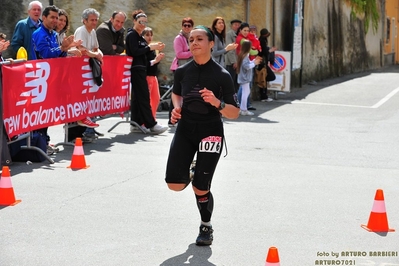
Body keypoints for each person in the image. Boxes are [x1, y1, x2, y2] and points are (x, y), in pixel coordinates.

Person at [165, 25, 240, 246]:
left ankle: (205, 226)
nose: (194, 42)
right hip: (186, 129)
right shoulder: (182, 71)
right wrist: (176, 108)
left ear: (210, 44)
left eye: (199, 39)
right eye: (191, 40)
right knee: (174, 185)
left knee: (200, 185)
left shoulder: (222, 75)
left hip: (210, 132)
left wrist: (217, 103)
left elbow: (234, 113)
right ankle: (193, 168)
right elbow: (177, 93)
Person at [31, 5, 82, 154]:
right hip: (40, 80)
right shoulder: (39, 33)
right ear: (44, 18)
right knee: (40, 113)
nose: (55, 21)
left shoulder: (53, 34)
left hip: (51, 79)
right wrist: (62, 48)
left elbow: (59, 56)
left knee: (46, 113)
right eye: (52, 17)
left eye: (56, 18)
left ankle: (44, 141)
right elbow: (46, 54)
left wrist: (64, 50)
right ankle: (39, 143)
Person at [125, 10, 168, 134]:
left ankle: (136, 123)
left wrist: (154, 58)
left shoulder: (138, 37)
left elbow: (142, 55)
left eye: (145, 22)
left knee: (139, 98)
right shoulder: (132, 35)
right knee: (143, 97)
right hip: (136, 69)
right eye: (140, 22)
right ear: (134, 21)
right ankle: (151, 124)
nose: (142, 24)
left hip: (141, 68)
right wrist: (150, 47)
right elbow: (134, 51)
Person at [72, 8, 105, 141]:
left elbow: (96, 48)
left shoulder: (93, 32)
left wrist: (99, 54)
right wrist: (95, 55)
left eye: (96, 20)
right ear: (84, 20)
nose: (94, 22)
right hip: (80, 69)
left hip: (89, 68)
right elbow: (82, 50)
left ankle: (85, 131)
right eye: (92, 20)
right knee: (80, 98)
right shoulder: (81, 31)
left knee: (88, 97)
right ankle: (76, 135)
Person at [168, 17, 194, 126]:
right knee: (177, 93)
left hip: (189, 68)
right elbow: (179, 54)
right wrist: (192, 53)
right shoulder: (179, 38)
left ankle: (182, 118)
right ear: (182, 26)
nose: (187, 27)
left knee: (185, 93)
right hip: (180, 68)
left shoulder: (192, 37)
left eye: (189, 25)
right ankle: (171, 119)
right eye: (185, 25)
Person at [236, 22, 260, 111]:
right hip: (245, 75)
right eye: (244, 30)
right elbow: (247, 65)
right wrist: (255, 62)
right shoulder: (242, 42)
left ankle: (243, 107)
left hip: (245, 74)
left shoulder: (245, 52)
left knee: (245, 91)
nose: (246, 32)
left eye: (247, 30)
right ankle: (243, 108)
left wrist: (254, 60)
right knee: (244, 92)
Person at [142, 27, 165, 120]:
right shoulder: (144, 48)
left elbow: (154, 62)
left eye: (151, 35)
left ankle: (153, 118)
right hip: (146, 76)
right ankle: (147, 120)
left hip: (153, 76)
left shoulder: (152, 48)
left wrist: (157, 59)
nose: (150, 37)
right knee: (148, 100)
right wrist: (155, 61)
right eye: (147, 35)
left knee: (156, 98)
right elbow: (146, 63)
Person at [258, 28, 277, 102]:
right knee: (266, 78)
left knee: (264, 79)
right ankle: (263, 96)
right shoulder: (262, 41)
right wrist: (270, 50)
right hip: (262, 63)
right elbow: (264, 52)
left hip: (263, 63)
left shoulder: (263, 40)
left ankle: (264, 96)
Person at [225, 19, 241, 93]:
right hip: (231, 63)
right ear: (232, 26)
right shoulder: (229, 34)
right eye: (235, 25)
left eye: (238, 25)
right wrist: (234, 61)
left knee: (236, 83)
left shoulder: (239, 35)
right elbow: (230, 49)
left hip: (238, 61)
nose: (237, 26)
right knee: (231, 82)